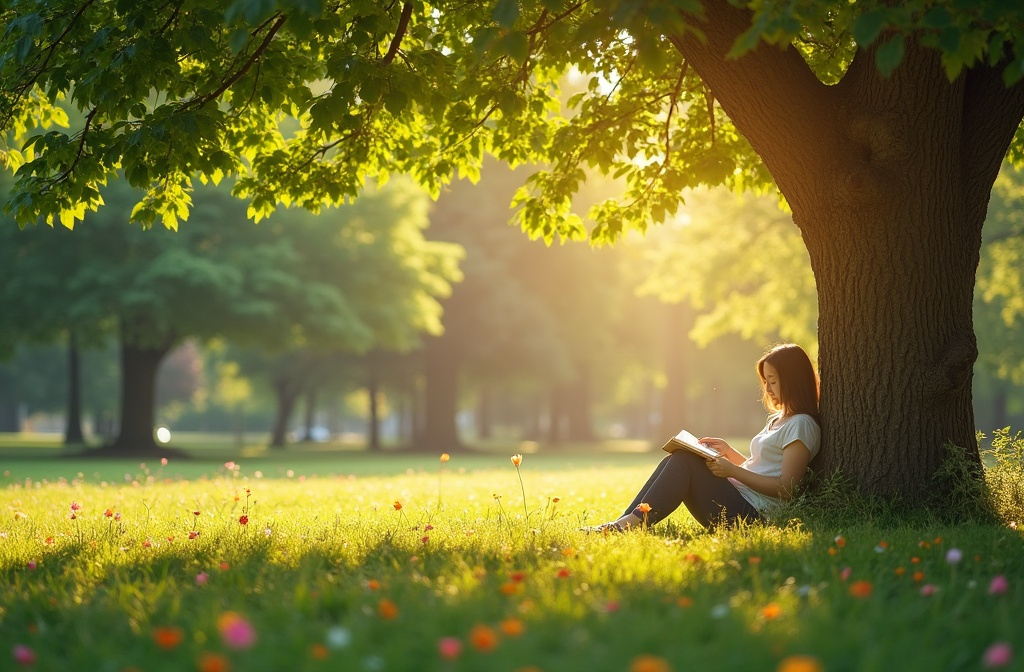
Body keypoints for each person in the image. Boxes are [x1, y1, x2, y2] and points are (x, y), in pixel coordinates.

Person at [587, 343, 821, 532]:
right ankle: (624, 523)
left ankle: (626, 525)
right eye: (766, 382)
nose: (768, 389)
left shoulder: (801, 424)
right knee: (676, 459)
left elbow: (787, 488)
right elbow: (763, 469)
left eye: (773, 381)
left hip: (754, 516)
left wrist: (732, 470)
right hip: (739, 498)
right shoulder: (779, 419)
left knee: (685, 462)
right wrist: (729, 453)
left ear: (792, 380)